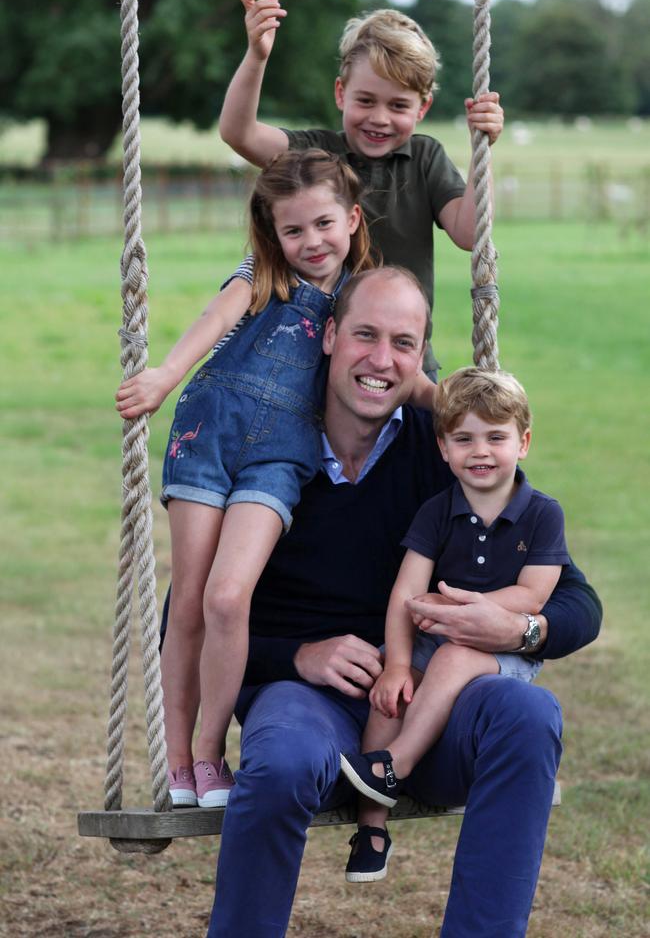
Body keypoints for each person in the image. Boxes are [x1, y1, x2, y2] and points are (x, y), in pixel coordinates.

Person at [205, 266, 602, 938]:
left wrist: (516, 628)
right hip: (312, 701)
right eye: (365, 335)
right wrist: (298, 655)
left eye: (403, 342)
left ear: (421, 359)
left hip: (432, 706)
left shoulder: (444, 450)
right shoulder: (267, 450)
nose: (381, 361)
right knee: (280, 762)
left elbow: (577, 603)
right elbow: (186, 621)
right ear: (329, 335)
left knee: (526, 713)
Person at [114, 148, 381, 810]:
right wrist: (164, 375)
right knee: (191, 599)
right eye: (294, 230)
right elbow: (216, 319)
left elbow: (391, 364)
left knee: (229, 599)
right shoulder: (262, 272)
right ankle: (179, 763)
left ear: (350, 218)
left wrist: (457, 406)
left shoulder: (359, 294)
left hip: (281, 454)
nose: (311, 242)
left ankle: (210, 753)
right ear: (274, 233)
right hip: (208, 431)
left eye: (323, 224)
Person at [339, 366, 571, 882]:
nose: (481, 451)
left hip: (502, 648)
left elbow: (534, 594)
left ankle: (396, 763)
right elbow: (405, 593)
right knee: (388, 694)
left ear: (523, 442)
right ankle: (372, 826)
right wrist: (397, 665)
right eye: (464, 439)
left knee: (454, 655)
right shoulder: (437, 511)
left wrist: (469, 612)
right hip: (433, 635)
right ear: (443, 448)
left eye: (496, 437)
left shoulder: (542, 515)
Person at [218, 0, 505, 376]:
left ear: (422, 109)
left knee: (420, 433)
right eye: (366, 101)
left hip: (404, 362)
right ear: (341, 93)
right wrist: (257, 56)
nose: (380, 118)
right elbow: (240, 133)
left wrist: (480, 150)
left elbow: (469, 233)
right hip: (318, 364)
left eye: (398, 106)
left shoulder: (425, 159)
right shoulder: (316, 154)